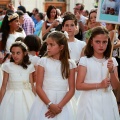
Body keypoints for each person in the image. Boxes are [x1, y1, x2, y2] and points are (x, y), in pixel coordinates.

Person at [27, 31, 76, 120]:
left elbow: (72, 89)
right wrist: (50, 105)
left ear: (61, 47)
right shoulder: (43, 62)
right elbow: (38, 87)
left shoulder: (70, 64)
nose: (48, 47)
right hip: (44, 101)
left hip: (63, 103)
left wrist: (58, 107)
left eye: (51, 45)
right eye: (47, 44)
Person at [76, 26, 120, 120]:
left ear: (108, 43)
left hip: (107, 100)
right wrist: (99, 85)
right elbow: (79, 85)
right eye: (97, 42)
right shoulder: (85, 60)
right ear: (91, 42)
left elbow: (116, 87)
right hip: (89, 100)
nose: (101, 45)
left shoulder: (112, 61)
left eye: (104, 42)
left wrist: (112, 71)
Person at [0, 41, 36, 120]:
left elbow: (32, 86)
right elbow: (3, 86)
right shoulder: (7, 66)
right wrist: (1, 103)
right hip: (10, 97)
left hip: (27, 96)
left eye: (18, 53)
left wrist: (36, 100)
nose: (15, 56)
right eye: (13, 53)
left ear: (25, 53)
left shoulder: (30, 66)